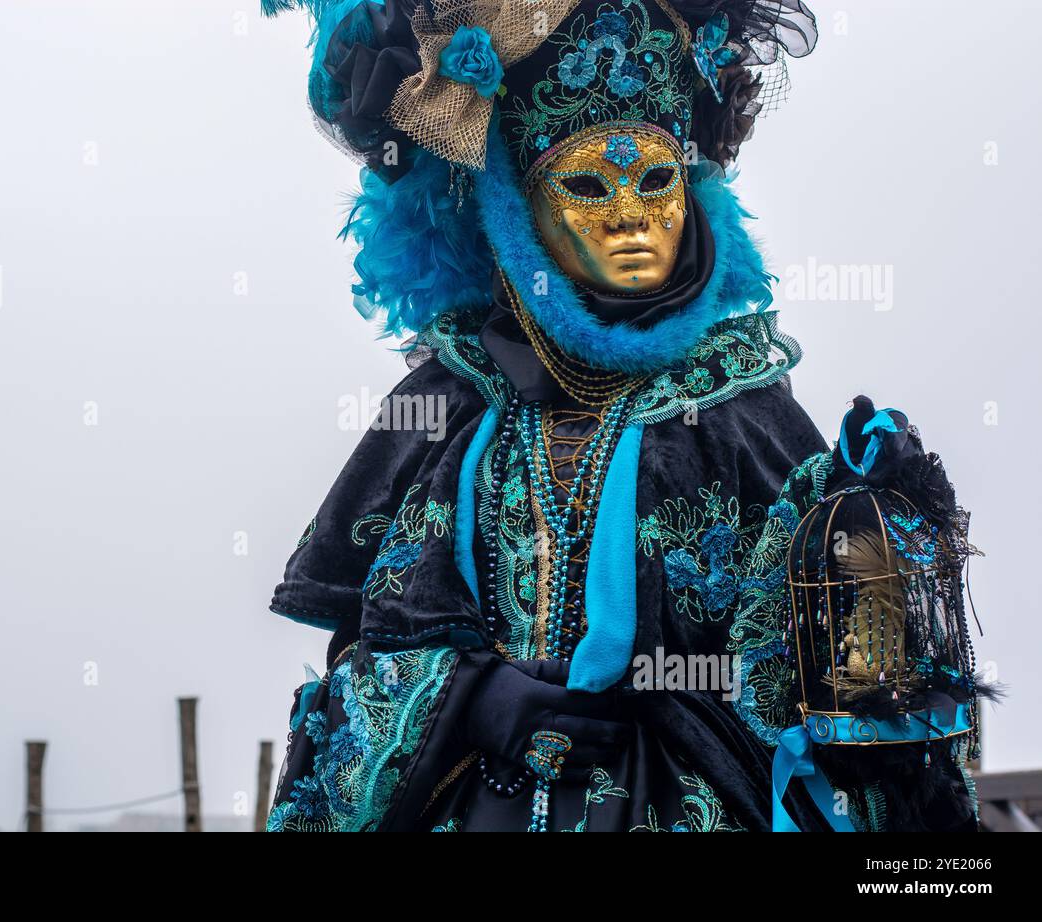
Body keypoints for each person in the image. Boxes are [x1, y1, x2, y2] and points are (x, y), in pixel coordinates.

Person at [261, 0, 982, 831]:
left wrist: (862, 528)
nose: (631, 220)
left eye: (653, 181)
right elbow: (362, 657)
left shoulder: (743, 406)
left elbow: (822, 693)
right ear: (518, 209)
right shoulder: (450, 405)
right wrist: (476, 698)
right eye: (586, 186)